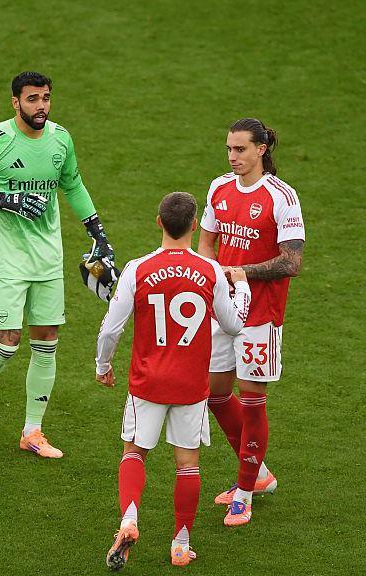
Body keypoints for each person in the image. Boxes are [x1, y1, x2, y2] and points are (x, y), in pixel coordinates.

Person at [0, 71, 115, 458]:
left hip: (47, 259)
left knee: (46, 342)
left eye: (45, 98)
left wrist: (98, 232)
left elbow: (72, 184)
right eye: (32, 99)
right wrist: (8, 200)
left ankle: (33, 431)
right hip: (3, 259)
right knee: (6, 343)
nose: (40, 106)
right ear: (15, 102)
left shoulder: (61, 139)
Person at [96, 192, 251, 570]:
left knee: (134, 453)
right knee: (187, 465)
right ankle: (181, 543)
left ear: (159, 222)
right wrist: (243, 286)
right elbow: (233, 326)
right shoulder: (210, 271)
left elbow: (110, 329)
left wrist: (103, 365)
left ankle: (129, 520)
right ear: (194, 226)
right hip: (190, 386)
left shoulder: (137, 269)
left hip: (147, 382)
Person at [197, 118, 306, 526]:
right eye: (229, 148)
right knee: (215, 392)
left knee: (253, 397)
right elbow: (207, 239)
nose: (232, 156)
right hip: (223, 309)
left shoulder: (282, 196)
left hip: (260, 315)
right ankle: (258, 473)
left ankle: (244, 489)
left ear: (261, 149)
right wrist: (212, 274)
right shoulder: (219, 187)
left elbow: (292, 261)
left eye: (240, 149)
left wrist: (243, 272)